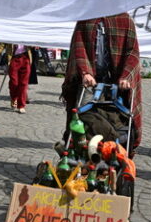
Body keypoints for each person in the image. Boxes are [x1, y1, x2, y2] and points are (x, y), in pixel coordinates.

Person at [60, 13, 142, 154]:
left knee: (119, 120)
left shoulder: (124, 19)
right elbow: (78, 49)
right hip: (90, 81)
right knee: (81, 117)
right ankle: (77, 153)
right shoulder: (86, 18)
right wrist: (85, 72)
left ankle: (117, 153)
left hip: (117, 81)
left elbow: (132, 53)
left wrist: (126, 77)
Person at [3, 44, 32, 113]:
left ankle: (21, 105)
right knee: (14, 82)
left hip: (25, 58)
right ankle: (14, 98)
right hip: (14, 58)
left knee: (24, 84)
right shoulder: (11, 34)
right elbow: (2, 44)